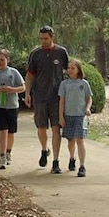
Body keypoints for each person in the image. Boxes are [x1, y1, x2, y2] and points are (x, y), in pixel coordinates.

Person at [24, 25, 69, 173]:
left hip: (57, 97)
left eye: (46, 38)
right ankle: (44, 149)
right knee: (41, 128)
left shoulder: (61, 52)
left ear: (52, 37)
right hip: (40, 96)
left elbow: (69, 71)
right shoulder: (35, 54)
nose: (43, 41)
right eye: (41, 39)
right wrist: (27, 93)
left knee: (56, 129)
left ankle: (56, 162)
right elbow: (30, 75)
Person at [0, 48, 25, 169]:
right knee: (2, 131)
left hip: (12, 105)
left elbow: (23, 87)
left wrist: (11, 90)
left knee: (11, 132)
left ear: (8, 60)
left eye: (2, 59)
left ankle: (8, 152)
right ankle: (1, 156)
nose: (0, 62)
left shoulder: (14, 72)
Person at [58, 59, 93, 177]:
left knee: (80, 140)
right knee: (70, 140)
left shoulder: (84, 84)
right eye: (68, 68)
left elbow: (89, 98)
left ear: (78, 70)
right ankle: (72, 158)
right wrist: (61, 117)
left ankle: (82, 166)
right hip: (68, 115)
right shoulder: (64, 84)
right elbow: (61, 101)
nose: (70, 70)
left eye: (73, 68)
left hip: (80, 116)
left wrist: (87, 108)